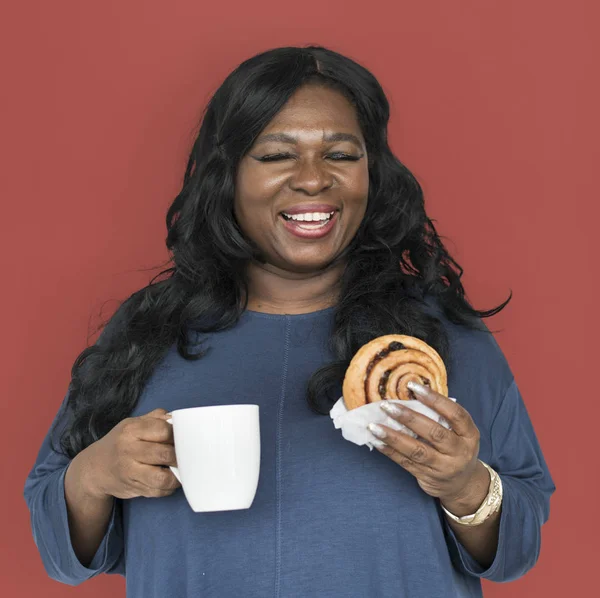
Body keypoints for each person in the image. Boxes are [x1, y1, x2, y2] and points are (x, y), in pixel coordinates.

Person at [24, 45, 555, 598]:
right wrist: (95, 473)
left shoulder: (438, 339)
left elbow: (515, 551)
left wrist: (464, 485)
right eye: (277, 155)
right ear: (228, 174)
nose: (312, 180)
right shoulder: (147, 330)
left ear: (372, 173)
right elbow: (61, 555)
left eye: (342, 155)